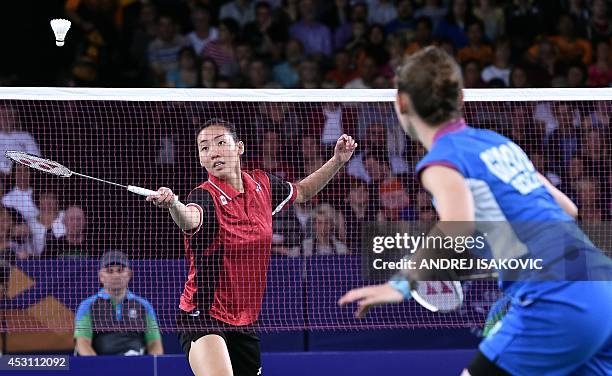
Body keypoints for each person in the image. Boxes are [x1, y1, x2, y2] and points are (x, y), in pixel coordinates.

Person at [338, 46, 612, 376]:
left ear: (401, 103)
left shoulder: (441, 160)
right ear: (461, 97)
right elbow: (567, 208)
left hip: (558, 297)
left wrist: (401, 284)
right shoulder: (500, 143)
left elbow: (457, 224)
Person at [146, 118, 356, 376]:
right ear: (201, 160)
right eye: (204, 148)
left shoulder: (262, 185)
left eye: (221, 143)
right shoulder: (203, 196)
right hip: (203, 314)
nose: (213, 152)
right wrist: (173, 205)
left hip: (244, 320)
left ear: (239, 148)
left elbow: (302, 192)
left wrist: (337, 161)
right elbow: (191, 218)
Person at [74, 251, 163, 356]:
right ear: (101, 276)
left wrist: (149, 366)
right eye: (109, 271)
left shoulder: (144, 306)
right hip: (101, 366)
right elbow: (82, 342)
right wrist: (99, 367)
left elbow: (155, 343)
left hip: (137, 366)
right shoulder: (87, 306)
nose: (116, 275)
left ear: (129, 274)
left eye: (120, 270)